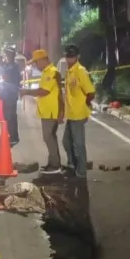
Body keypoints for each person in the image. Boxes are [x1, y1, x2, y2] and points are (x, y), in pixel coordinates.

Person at [20, 49, 64, 174]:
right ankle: (52, 163)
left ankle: (55, 165)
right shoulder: (47, 72)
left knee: (48, 137)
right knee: (50, 137)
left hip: (50, 111)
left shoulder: (51, 72)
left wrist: (26, 92)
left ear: (42, 60)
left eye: (36, 63)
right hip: (47, 111)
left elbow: (44, 91)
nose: (35, 65)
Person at [62, 45, 95, 178]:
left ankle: (81, 171)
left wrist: (84, 104)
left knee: (78, 144)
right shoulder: (69, 71)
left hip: (79, 114)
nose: (70, 59)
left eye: (72, 56)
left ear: (77, 57)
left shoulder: (81, 71)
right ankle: (72, 165)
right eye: (68, 56)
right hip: (71, 114)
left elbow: (91, 92)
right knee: (66, 142)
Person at [0, 47, 22, 144]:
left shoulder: (14, 67)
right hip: (6, 95)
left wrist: (5, 82)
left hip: (11, 95)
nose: (7, 56)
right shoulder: (6, 65)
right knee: (7, 116)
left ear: (12, 55)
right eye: (7, 54)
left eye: (9, 54)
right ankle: (11, 136)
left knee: (10, 117)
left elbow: (15, 81)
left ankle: (13, 137)